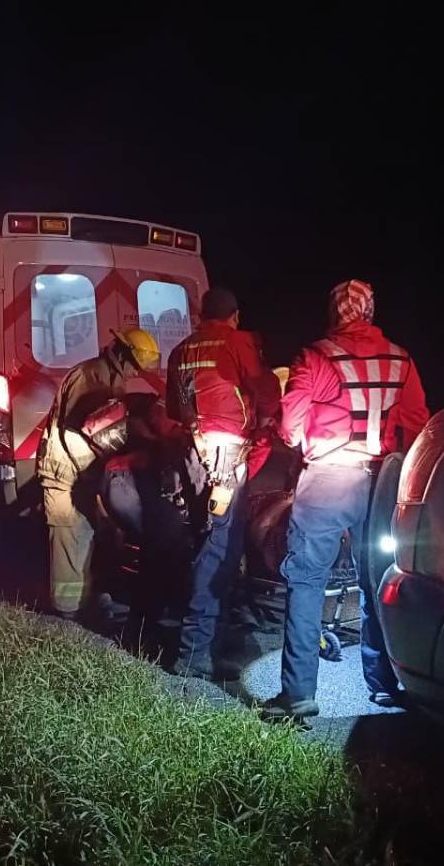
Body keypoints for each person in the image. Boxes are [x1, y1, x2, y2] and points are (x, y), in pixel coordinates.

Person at [262, 279, 429, 724]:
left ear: (334, 313)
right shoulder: (401, 358)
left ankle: (298, 695)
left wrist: (297, 437)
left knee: (307, 580)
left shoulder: (315, 355)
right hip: (380, 482)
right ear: (370, 311)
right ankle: (383, 684)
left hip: (328, 479)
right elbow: (417, 425)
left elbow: (290, 424)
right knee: (376, 581)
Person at [165, 287, 281, 680]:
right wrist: (266, 421)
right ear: (235, 315)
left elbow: (175, 405)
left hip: (194, 454)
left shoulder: (182, 350)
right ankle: (194, 654)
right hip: (226, 459)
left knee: (204, 544)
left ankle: (207, 647)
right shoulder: (237, 342)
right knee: (219, 552)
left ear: (200, 314)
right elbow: (265, 390)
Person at [37, 327, 161, 621]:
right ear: (121, 353)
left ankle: (88, 603)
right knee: (69, 539)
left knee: (91, 536)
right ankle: (65, 616)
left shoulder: (110, 376)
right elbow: (83, 430)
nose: (134, 373)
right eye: (134, 366)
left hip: (85, 472)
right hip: (65, 472)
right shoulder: (90, 376)